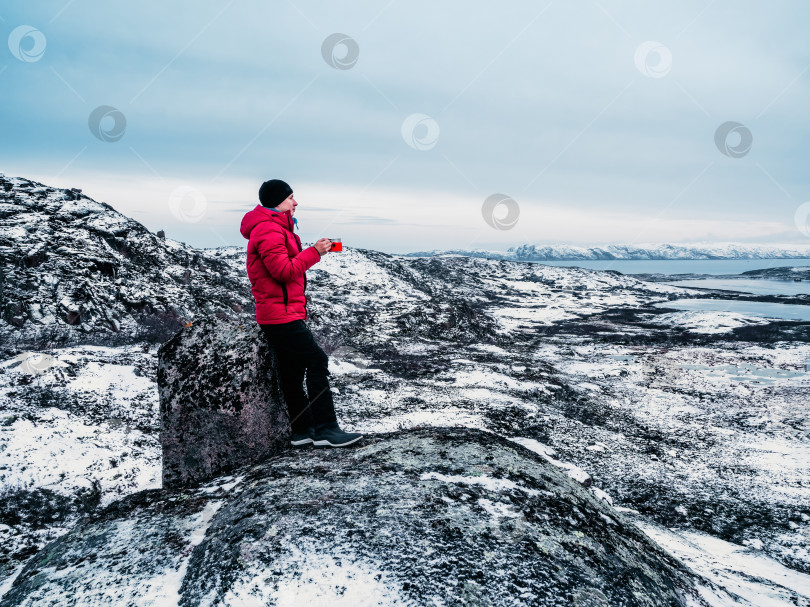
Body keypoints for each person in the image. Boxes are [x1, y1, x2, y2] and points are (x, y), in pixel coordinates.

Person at [239, 179, 363, 448]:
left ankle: (302, 432)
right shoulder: (268, 230)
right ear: (277, 201)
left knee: (293, 373)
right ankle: (327, 429)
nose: (296, 203)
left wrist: (315, 251)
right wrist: (315, 252)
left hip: (282, 313)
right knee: (317, 360)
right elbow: (283, 272)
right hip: (280, 316)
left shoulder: (278, 229)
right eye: (291, 198)